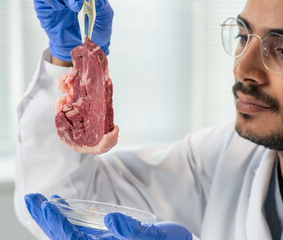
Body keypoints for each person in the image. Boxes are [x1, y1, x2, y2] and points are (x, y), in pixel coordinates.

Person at [14, 0, 283, 239]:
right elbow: (66, 200)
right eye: (243, 36)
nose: (242, 68)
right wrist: (66, 62)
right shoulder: (224, 159)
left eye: (281, 49)